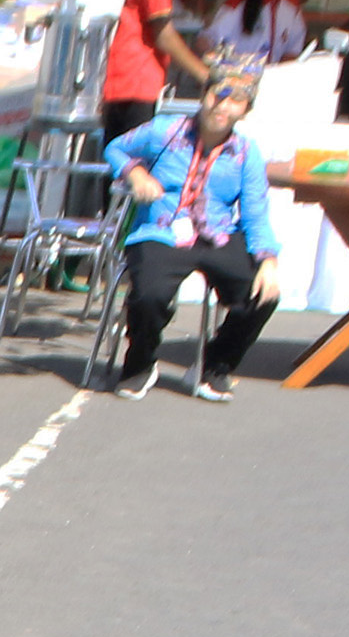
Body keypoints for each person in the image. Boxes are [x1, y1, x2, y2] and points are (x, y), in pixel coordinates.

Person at [110, 66, 288, 396]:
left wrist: (268, 260)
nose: (223, 106)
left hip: (216, 233)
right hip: (161, 230)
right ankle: (140, 364)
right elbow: (116, 148)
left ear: (246, 109)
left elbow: (255, 214)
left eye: (236, 100)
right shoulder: (164, 131)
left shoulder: (247, 154)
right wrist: (136, 174)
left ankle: (214, 365)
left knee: (262, 292)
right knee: (150, 293)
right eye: (217, 94)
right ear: (203, 95)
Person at [104, 0, 214, 144]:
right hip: (137, 81)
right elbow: (163, 35)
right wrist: (207, 76)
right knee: (132, 164)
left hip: (122, 80)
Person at [201, 0, 317, 64]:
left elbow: (291, 53)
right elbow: (205, 44)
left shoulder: (292, 5)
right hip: (238, 84)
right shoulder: (237, 5)